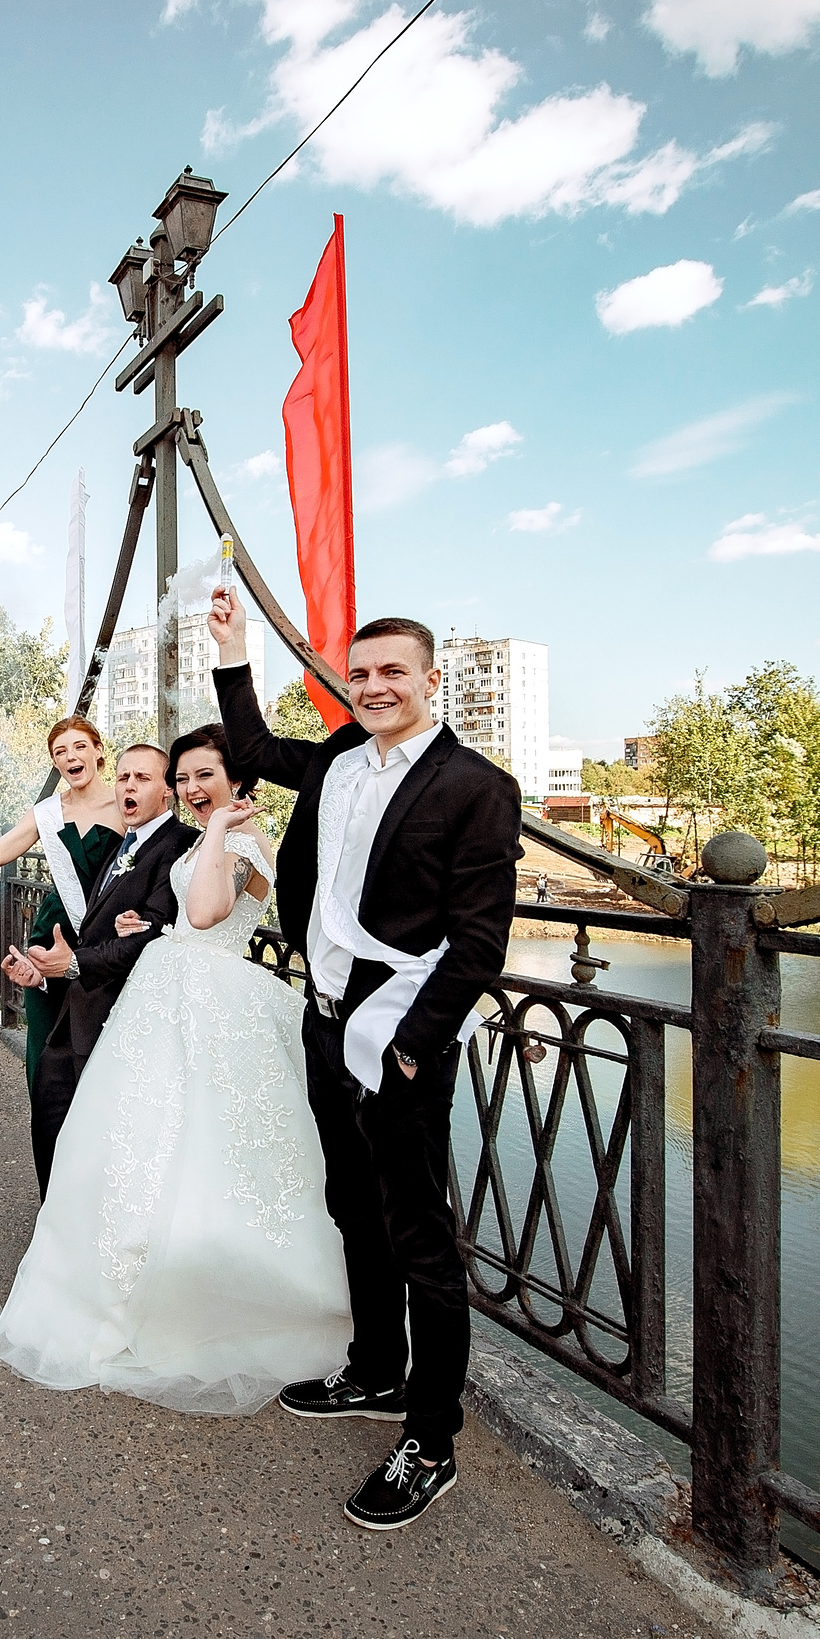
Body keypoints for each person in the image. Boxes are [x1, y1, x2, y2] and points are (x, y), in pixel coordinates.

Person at [209, 586, 522, 1534]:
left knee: (422, 1238)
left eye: (395, 672)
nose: (377, 685)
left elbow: (478, 945)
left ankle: (432, 1438)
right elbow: (257, 754)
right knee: (352, 1204)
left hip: (401, 1037)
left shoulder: (477, 787)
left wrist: (418, 1051)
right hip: (327, 1017)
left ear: (434, 681)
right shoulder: (343, 756)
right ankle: (379, 1371)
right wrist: (232, 650)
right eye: (363, 674)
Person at [0, 726, 349, 1416]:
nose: (192, 790)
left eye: (203, 776)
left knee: (216, 1147)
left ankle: (214, 1290)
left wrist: (213, 834)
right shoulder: (209, 836)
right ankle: (124, 1267)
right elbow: (174, 918)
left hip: (214, 997)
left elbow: (209, 910)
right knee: (143, 1138)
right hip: (166, 988)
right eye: (184, 779)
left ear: (240, 781)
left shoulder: (244, 842)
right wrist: (145, 929)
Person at [5, 742, 197, 1195]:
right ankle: (56, 1232)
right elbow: (99, 930)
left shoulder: (182, 846)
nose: (128, 786)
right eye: (124, 777)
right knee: (49, 1123)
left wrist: (71, 964)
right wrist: (45, 973)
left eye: (143, 778)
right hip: (77, 1014)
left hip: (122, 1022)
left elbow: (151, 936)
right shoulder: (124, 843)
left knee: (99, 1147)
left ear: (168, 791)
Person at [0, 715, 124, 1109]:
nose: (71, 757)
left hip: (107, 946)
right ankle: (51, 1161)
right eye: (60, 752)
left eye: (80, 746)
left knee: (104, 1064)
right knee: (48, 1063)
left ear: (99, 751)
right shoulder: (46, 812)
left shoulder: (127, 803)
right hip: (48, 944)